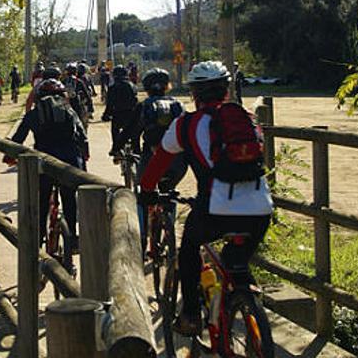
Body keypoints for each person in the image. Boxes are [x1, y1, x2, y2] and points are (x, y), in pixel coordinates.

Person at [139, 61, 273, 336]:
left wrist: (147, 191)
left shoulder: (186, 124)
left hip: (216, 208)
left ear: (194, 94)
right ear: (226, 90)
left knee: (189, 250)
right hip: (260, 208)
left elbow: (159, 162)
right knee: (236, 260)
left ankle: (190, 315)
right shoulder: (248, 119)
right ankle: (246, 301)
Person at [5, 78, 88, 251]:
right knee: (69, 199)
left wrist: (9, 156)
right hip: (69, 163)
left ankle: (38, 239)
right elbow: (82, 136)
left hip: (44, 163)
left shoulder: (33, 114)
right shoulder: (69, 110)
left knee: (42, 200)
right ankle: (72, 240)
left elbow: (18, 139)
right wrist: (84, 155)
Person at [110, 68, 187, 245]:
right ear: (167, 86)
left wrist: (116, 148)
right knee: (169, 193)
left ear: (146, 88)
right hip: (177, 161)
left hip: (152, 158)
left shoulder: (144, 106)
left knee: (144, 194)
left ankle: (142, 236)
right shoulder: (178, 105)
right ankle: (170, 230)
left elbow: (129, 130)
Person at [102, 65, 138, 147]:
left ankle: (116, 148)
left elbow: (110, 104)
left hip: (118, 114)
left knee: (115, 130)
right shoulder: (133, 86)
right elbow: (136, 101)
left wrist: (106, 115)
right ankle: (136, 149)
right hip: (132, 114)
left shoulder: (113, 88)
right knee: (135, 132)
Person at [64, 63, 94, 127]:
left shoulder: (63, 81)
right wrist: (90, 106)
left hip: (65, 105)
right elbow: (87, 94)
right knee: (82, 122)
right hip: (77, 105)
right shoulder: (79, 81)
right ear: (75, 72)